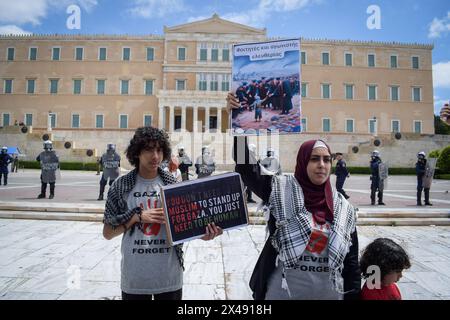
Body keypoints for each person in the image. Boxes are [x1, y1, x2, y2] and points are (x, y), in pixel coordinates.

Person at [227, 93, 361, 300]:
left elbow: (351, 265)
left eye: (327, 159)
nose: (322, 165)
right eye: (315, 159)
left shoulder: (344, 209)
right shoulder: (279, 190)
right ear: (302, 162)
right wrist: (237, 123)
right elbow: (246, 167)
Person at [102, 127, 222, 300]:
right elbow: (107, 232)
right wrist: (136, 217)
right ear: (137, 152)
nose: (155, 156)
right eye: (149, 150)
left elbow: (188, 226)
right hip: (135, 279)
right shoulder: (120, 187)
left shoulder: (174, 185)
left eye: (159, 150)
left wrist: (205, 234)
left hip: (169, 278)